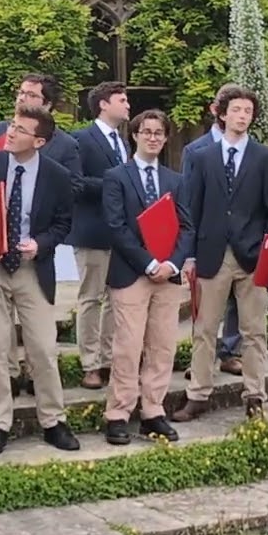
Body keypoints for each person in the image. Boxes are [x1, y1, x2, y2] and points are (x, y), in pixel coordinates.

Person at [0, 106, 78, 455]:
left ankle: (53, 421)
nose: (11, 133)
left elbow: (63, 224)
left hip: (33, 269)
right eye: (11, 125)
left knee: (43, 348)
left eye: (20, 129)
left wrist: (41, 243)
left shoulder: (57, 175)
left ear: (40, 140)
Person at [174, 84, 268, 422]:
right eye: (236, 110)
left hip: (251, 257)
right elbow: (189, 210)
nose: (242, 116)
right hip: (211, 254)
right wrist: (188, 256)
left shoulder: (267, 158)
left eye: (248, 111)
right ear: (221, 114)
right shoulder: (200, 156)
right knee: (204, 328)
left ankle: (254, 396)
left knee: (254, 331)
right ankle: (198, 395)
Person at [101, 110, 194, 445]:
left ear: (166, 138)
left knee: (162, 346)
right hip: (132, 273)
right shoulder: (116, 177)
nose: (153, 137)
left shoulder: (176, 180)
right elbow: (116, 227)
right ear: (135, 135)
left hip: (168, 277)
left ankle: (152, 411)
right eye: (146, 131)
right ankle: (118, 413)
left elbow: (187, 227)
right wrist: (148, 263)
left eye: (159, 133)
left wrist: (171, 263)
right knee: (128, 346)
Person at [69, 81, 131, 389]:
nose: (128, 105)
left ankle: (108, 358)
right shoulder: (81, 139)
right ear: (104, 104)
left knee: (114, 300)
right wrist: (114, 184)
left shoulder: (124, 143)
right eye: (122, 99)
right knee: (91, 299)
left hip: (120, 235)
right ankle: (90, 363)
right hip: (92, 231)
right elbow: (75, 183)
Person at [181, 86, 241, 378]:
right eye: (225, 106)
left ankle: (230, 352)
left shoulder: (250, 148)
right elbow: (189, 202)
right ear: (215, 110)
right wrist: (188, 250)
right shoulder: (195, 150)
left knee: (237, 303)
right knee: (204, 307)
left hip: (243, 241)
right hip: (208, 238)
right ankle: (200, 362)